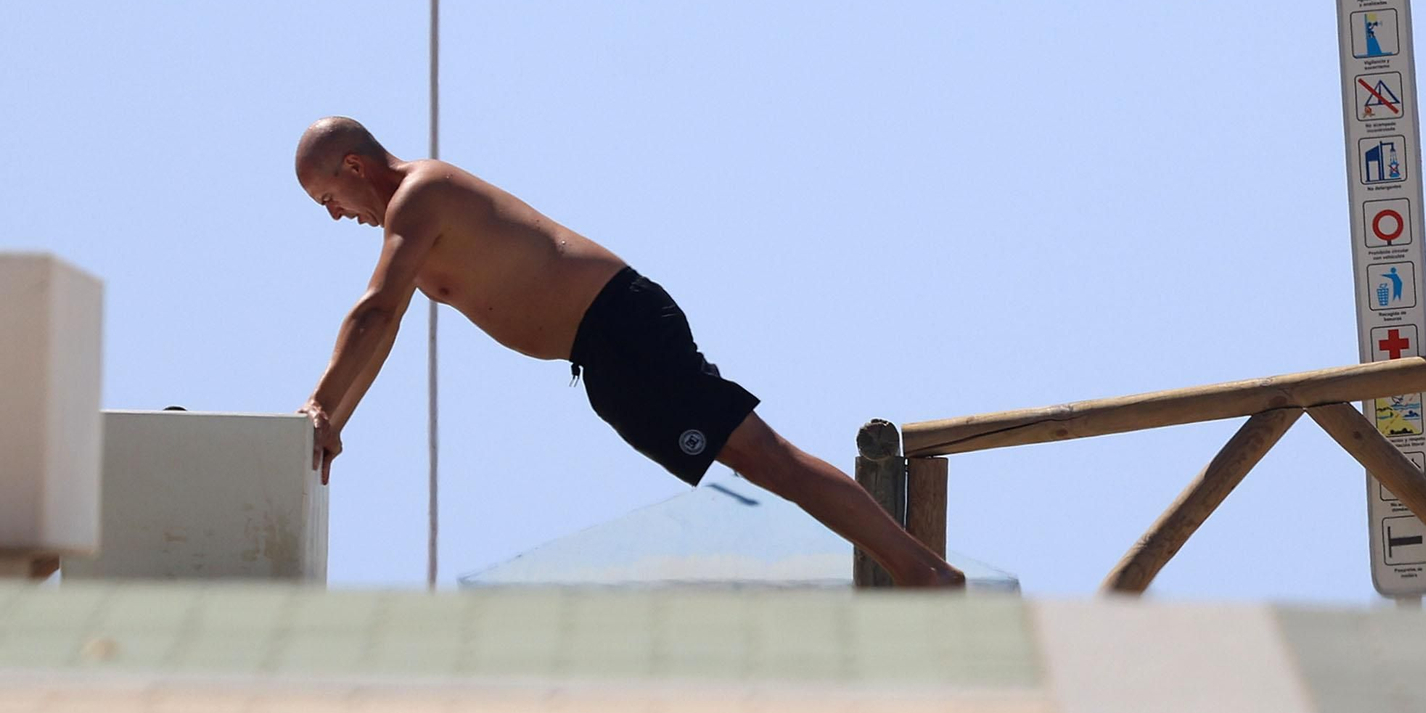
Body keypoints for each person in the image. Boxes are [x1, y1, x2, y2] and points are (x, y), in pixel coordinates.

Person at [295, 117, 964, 588]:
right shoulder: (410, 221)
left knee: (767, 457)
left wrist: (317, 408)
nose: (333, 216)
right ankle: (918, 569)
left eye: (329, 197)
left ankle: (923, 571)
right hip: (605, 356)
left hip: (619, 324)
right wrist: (335, 423)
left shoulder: (422, 194)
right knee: (761, 463)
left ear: (354, 166)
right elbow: (383, 330)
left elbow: (374, 309)